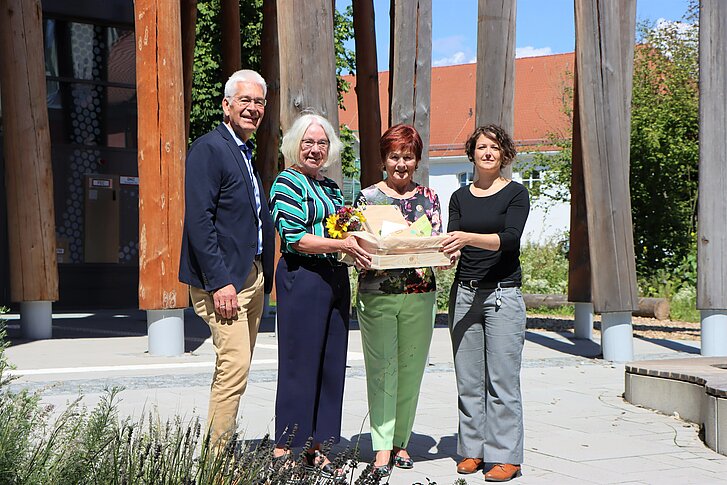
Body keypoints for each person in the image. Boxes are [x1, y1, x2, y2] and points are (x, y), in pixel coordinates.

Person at [269, 113, 372, 473]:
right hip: (303, 276)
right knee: (300, 365)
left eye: (322, 143)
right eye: (309, 142)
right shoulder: (287, 182)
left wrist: (360, 244)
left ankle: (321, 445)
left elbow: (349, 226)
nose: (315, 149)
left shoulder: (330, 187)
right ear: (295, 145)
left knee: (331, 364)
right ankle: (287, 447)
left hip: (334, 276)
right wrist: (341, 242)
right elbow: (295, 238)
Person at [179, 69, 274, 448]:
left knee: (240, 368)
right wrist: (220, 281)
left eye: (259, 102)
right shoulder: (210, 148)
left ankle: (223, 445)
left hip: (251, 277)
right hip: (224, 282)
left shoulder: (243, 150)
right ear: (227, 105)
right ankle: (216, 464)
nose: (252, 108)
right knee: (233, 367)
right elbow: (199, 221)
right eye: (245, 100)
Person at [353, 124, 450, 476]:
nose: (401, 164)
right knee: (382, 371)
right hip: (377, 295)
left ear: (417, 160)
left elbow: (435, 242)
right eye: (394, 156)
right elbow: (361, 243)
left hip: (420, 294)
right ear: (383, 159)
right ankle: (381, 447)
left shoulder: (429, 198)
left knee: (410, 371)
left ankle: (401, 441)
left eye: (408, 157)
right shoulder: (366, 198)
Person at [441, 124, 530, 482]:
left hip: (502, 296)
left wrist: (466, 238)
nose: (488, 152)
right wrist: (447, 252)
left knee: (502, 380)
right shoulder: (459, 198)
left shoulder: (516, 194)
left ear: (504, 154)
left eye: (494, 147)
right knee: (468, 380)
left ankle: (506, 456)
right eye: (481, 147)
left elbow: (509, 240)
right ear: (472, 154)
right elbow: (452, 241)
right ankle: (473, 451)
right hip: (464, 294)